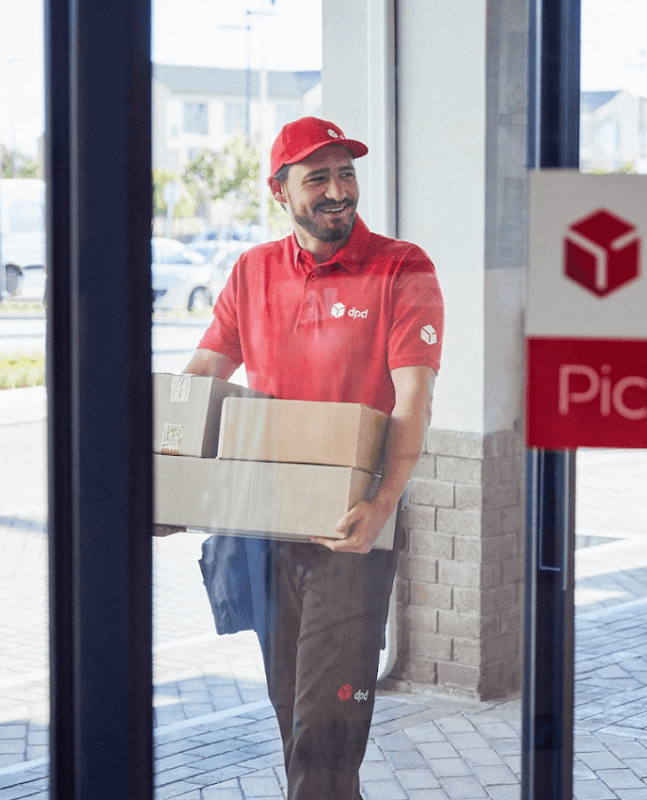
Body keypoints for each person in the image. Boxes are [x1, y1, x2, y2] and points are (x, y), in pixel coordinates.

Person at [182, 116, 444, 800]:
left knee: (327, 724)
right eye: (318, 176)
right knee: (294, 712)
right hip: (267, 528)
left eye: (346, 173)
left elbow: (414, 399)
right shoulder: (252, 271)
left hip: (352, 526)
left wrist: (383, 505)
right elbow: (204, 375)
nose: (338, 190)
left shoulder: (402, 266)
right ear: (281, 191)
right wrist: (165, 477)